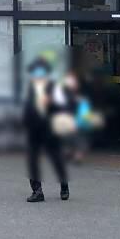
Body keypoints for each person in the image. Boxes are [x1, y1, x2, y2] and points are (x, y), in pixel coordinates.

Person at [23, 52, 73, 202]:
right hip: (34, 129)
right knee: (32, 159)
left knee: (56, 158)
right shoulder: (31, 88)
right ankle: (37, 191)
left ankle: (64, 186)